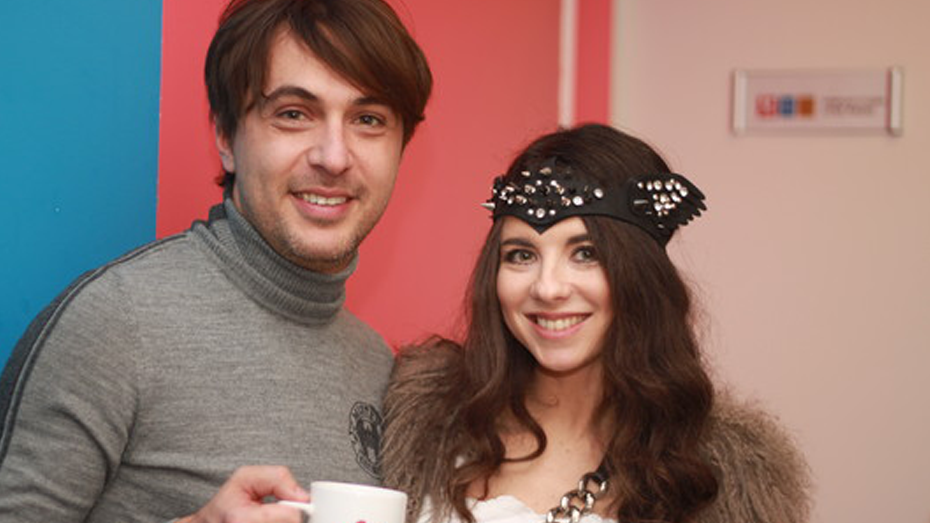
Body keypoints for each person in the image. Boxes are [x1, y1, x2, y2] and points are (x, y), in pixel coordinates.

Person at [0, 0, 432, 521]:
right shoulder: (116, 323)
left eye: (368, 120)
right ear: (226, 137)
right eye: (294, 114)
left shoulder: (379, 367)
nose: (334, 156)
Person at [381, 124, 812, 523]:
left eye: (585, 253)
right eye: (522, 255)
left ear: (638, 275)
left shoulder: (717, 474)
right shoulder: (424, 423)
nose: (547, 287)